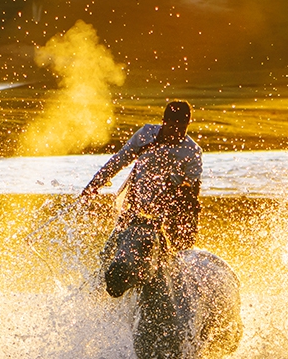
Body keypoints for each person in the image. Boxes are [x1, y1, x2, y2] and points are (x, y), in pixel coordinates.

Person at [80, 99, 203, 251]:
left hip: (169, 209)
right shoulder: (146, 135)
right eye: (172, 126)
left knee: (178, 238)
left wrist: (181, 202)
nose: (176, 133)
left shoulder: (192, 151)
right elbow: (119, 160)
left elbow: (193, 187)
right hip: (135, 204)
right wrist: (93, 186)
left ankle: (179, 251)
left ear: (188, 124)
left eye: (182, 127)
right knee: (113, 247)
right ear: (164, 122)